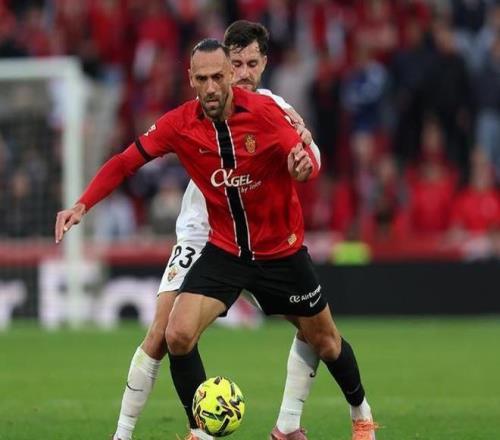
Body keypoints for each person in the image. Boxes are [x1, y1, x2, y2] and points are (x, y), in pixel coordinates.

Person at [55, 40, 377, 440]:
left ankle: (361, 415)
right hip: (225, 251)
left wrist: (303, 166)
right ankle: (201, 433)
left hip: (280, 252)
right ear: (191, 79)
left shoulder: (265, 112)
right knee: (176, 334)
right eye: (202, 79)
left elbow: (305, 158)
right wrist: (82, 204)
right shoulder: (178, 124)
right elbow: (126, 161)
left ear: (230, 77)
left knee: (326, 341)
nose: (210, 87)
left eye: (217, 78)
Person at [123, 20, 323, 440]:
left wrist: (304, 152)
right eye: (236, 65)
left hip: (258, 241)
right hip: (202, 233)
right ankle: (131, 434)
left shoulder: (273, 108)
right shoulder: (202, 107)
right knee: (162, 334)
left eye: (251, 64)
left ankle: (288, 425)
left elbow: (310, 154)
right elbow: (139, 154)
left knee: (314, 329)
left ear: (262, 65)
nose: (242, 73)